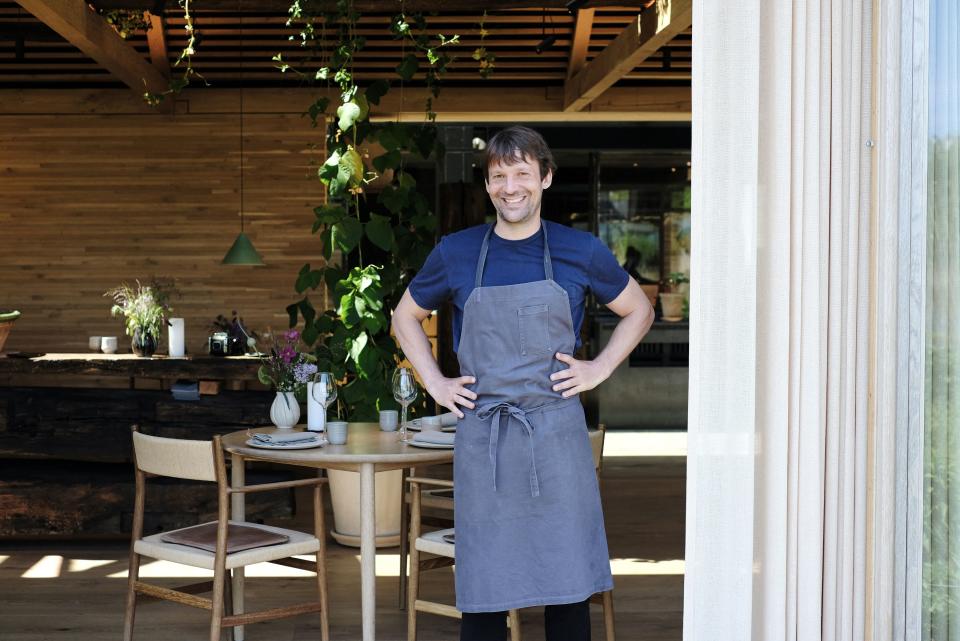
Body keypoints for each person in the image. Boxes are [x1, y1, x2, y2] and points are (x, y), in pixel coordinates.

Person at [391, 125, 654, 641]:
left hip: (555, 438)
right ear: (487, 185)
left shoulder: (581, 250)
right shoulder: (457, 252)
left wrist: (597, 369)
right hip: (484, 439)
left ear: (545, 178)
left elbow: (638, 310)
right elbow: (404, 317)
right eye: (498, 176)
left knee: (568, 586)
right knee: (486, 589)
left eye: (521, 174)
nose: (510, 187)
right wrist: (438, 384)